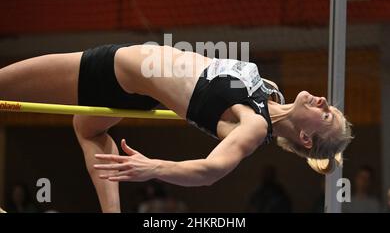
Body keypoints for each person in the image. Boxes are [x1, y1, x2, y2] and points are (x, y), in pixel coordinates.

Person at [0, 43, 353, 213]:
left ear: (305, 138)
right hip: (139, 93)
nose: (323, 102)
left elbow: (209, 171)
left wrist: (152, 167)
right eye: (329, 107)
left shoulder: (255, 125)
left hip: (113, 69)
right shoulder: (271, 96)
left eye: (326, 117)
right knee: (89, 130)